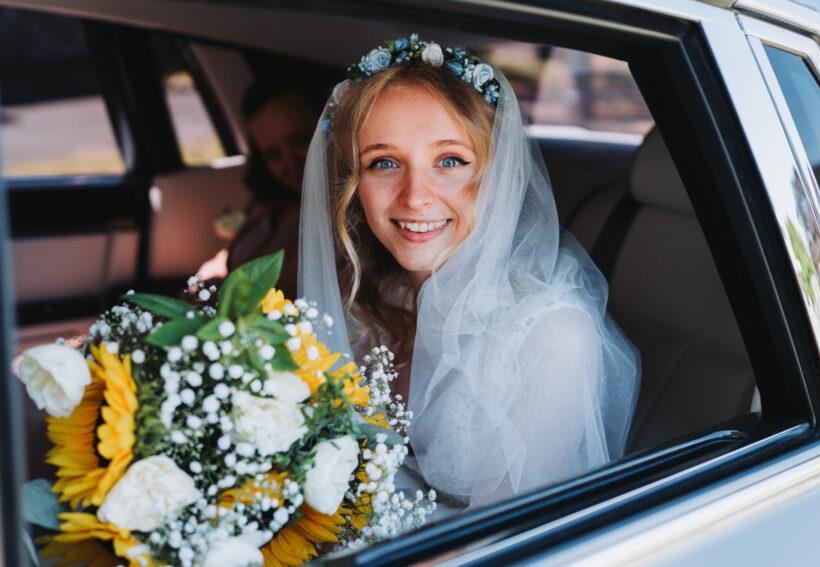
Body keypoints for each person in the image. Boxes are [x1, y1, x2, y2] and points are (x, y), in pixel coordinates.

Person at [299, 35, 640, 509]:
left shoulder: (553, 337)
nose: (415, 195)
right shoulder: (379, 301)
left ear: (498, 175)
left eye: (450, 161)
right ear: (355, 186)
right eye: (384, 163)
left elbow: (508, 541)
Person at [198, 71, 330, 298]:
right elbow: (229, 257)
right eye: (273, 154)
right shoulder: (271, 202)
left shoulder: (347, 218)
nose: (291, 163)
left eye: (301, 140)